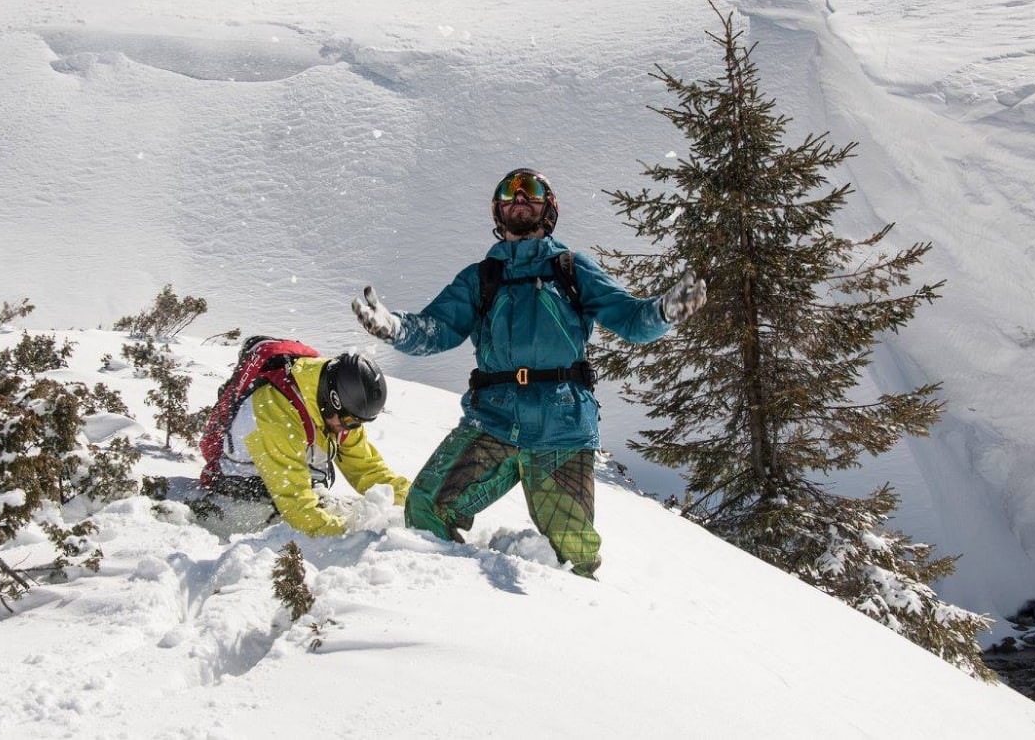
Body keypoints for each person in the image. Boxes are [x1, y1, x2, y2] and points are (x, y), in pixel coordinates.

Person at [352, 168, 705, 576]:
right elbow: (438, 329)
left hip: (563, 431)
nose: (519, 198)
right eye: (509, 193)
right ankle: (457, 606)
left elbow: (630, 318)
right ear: (498, 210)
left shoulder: (571, 270)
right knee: (426, 508)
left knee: (576, 555)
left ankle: (563, 627)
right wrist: (394, 327)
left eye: (531, 192)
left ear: (548, 208)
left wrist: (664, 310)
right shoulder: (482, 277)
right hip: (493, 423)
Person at [201, 349, 411, 536]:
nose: (351, 429)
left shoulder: (341, 416)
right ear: (330, 401)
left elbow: (368, 472)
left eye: (359, 423)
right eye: (350, 421)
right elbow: (297, 505)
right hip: (242, 494)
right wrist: (348, 538)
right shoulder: (274, 414)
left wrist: (417, 500)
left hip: (295, 489)